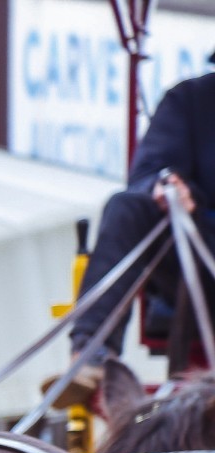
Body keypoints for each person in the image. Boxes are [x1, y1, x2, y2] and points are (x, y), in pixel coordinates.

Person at [67, 65, 215, 395]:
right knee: (127, 206)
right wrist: (169, 186)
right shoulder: (191, 100)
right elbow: (149, 172)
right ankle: (92, 355)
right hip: (200, 259)